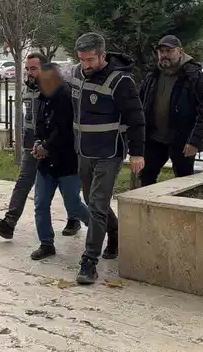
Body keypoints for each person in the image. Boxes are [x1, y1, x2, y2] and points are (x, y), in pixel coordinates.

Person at [69, 33, 145, 285]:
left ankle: (89, 261)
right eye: (81, 59)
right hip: (84, 151)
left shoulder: (121, 81)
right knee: (92, 202)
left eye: (90, 60)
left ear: (103, 55)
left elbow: (136, 118)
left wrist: (137, 153)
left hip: (109, 153)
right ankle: (114, 231)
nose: (85, 65)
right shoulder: (77, 73)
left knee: (97, 205)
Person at [0, 53, 81, 239]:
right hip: (32, 144)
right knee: (24, 181)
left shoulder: (55, 88)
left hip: (55, 145)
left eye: (34, 69)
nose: (29, 73)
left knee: (65, 185)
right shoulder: (27, 88)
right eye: (27, 69)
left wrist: (49, 143)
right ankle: (9, 222)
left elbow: (63, 120)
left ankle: (75, 218)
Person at [31, 63, 91, 260]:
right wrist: (38, 143)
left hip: (67, 161)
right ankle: (46, 244)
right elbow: (40, 125)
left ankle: (100, 230)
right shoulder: (42, 97)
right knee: (41, 204)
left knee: (73, 204)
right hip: (46, 163)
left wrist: (46, 146)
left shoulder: (67, 97)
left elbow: (65, 130)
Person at [139, 35, 203, 186]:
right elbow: (141, 105)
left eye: (169, 51)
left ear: (180, 52)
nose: (164, 55)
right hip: (154, 139)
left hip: (182, 141)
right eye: (161, 51)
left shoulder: (194, 76)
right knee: (146, 177)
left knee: (183, 181)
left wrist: (194, 141)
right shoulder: (153, 75)